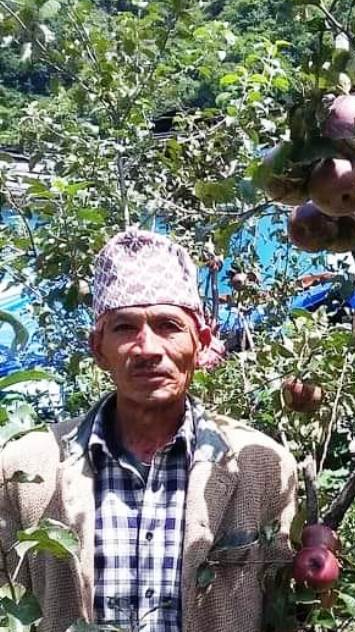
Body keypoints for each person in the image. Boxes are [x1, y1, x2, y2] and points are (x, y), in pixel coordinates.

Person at [0, 228, 298, 632]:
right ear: (98, 349)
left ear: (201, 344)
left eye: (168, 325)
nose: (147, 349)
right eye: (124, 328)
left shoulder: (263, 467)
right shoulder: (25, 471)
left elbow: (282, 609)